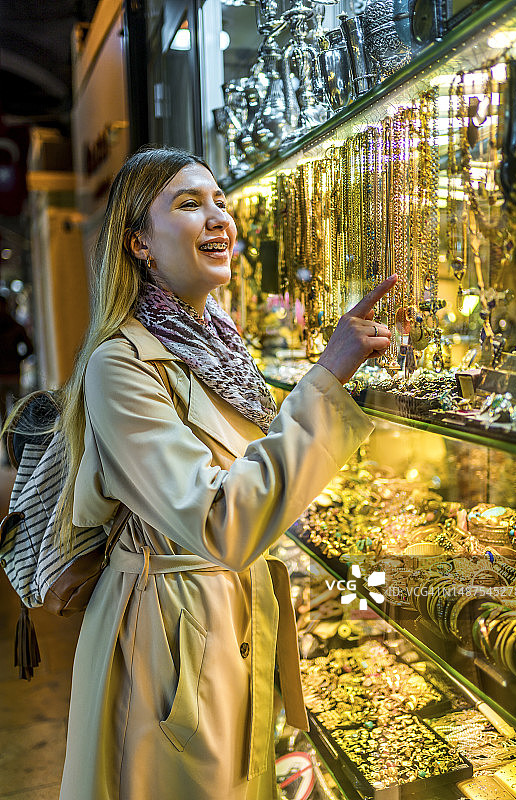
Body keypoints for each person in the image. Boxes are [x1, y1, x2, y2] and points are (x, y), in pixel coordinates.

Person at [56, 145, 396, 800]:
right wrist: (327, 378)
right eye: (187, 204)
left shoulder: (218, 342)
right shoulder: (121, 364)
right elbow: (218, 522)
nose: (217, 218)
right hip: (171, 632)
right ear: (140, 244)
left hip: (233, 614)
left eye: (219, 201)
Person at [0, 294, 33, 429]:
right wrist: (17, 360)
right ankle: (12, 445)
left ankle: (10, 445)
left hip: (7, 375)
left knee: (7, 416)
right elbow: (29, 349)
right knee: (15, 413)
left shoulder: (16, 327)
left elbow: (29, 349)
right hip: (12, 373)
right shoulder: (16, 327)